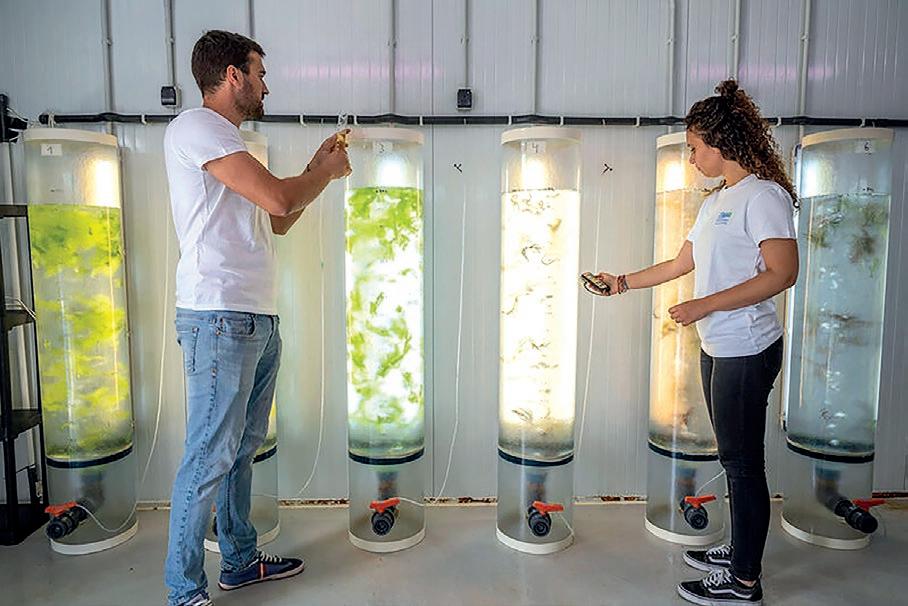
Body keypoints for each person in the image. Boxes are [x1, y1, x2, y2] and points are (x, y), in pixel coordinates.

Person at [162, 30, 351, 606]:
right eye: (259, 73)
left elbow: (279, 220)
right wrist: (323, 174)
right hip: (218, 315)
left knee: (242, 448)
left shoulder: (233, 145)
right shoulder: (197, 127)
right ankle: (183, 590)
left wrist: (316, 168)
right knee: (209, 455)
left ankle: (240, 561)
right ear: (233, 75)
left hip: (253, 317)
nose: (266, 86)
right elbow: (280, 200)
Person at [592, 80, 798, 606]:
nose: (690, 158)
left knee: (743, 465)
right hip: (718, 347)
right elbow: (681, 263)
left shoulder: (764, 197)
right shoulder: (717, 201)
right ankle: (740, 551)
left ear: (721, 143)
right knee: (734, 460)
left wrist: (705, 305)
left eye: (694, 147)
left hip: (747, 348)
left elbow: (782, 273)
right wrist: (621, 282)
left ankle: (744, 581)